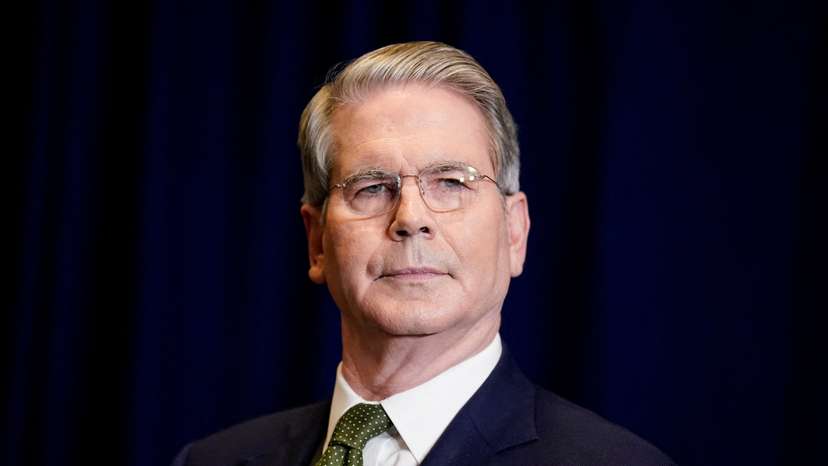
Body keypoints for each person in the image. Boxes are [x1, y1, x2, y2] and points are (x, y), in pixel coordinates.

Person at [172, 41, 674, 466]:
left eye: (451, 182)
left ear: (515, 232)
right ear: (317, 241)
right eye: (371, 187)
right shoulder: (212, 459)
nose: (411, 217)